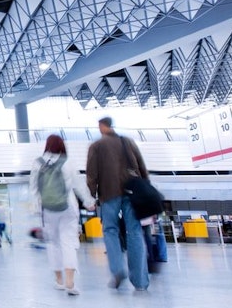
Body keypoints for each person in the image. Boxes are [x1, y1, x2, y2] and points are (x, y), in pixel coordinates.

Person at [86, 116, 150, 291]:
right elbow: (142, 167)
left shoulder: (96, 146)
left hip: (109, 193)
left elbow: (92, 174)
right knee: (135, 232)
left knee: (110, 230)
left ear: (101, 126)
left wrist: (91, 196)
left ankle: (117, 269)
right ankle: (140, 281)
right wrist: (146, 189)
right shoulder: (127, 142)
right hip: (132, 192)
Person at [30, 134, 95, 295]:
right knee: (69, 242)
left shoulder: (37, 164)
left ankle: (59, 281)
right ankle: (70, 282)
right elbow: (79, 185)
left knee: (53, 244)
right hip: (68, 208)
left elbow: (34, 189)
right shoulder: (68, 162)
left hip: (48, 210)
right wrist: (88, 202)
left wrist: (37, 209)